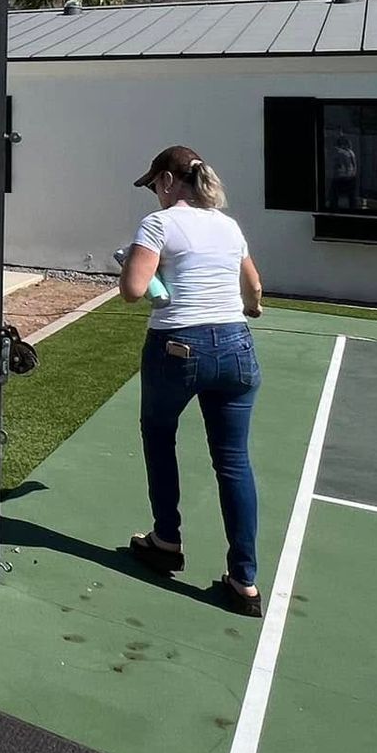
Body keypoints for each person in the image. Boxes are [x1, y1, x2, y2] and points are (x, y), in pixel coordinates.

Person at [119, 145, 266, 617]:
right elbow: (254, 289)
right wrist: (252, 310)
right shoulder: (228, 225)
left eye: (155, 185)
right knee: (234, 462)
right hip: (237, 347)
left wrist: (137, 264)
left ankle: (166, 539)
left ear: (166, 180)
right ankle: (244, 580)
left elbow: (133, 291)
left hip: (177, 346)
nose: (155, 194)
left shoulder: (158, 224)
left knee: (160, 438)